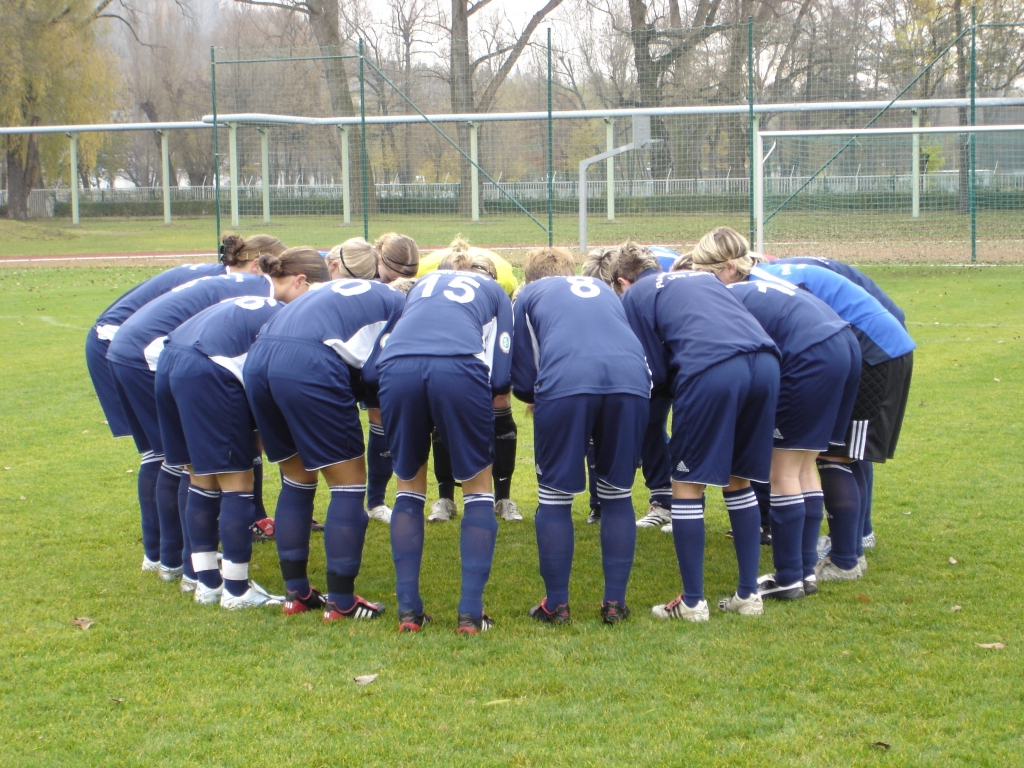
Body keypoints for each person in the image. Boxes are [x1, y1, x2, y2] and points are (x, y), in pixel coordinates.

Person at [84, 233, 284, 576]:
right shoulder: (247, 288)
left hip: (130, 345)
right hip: (137, 351)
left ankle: (170, 555)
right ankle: (177, 559)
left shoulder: (226, 277)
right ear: (257, 266)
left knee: (173, 456)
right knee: (179, 459)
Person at [680, 227, 861, 600]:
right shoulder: (763, 280)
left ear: (723, 270)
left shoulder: (726, 295)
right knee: (804, 465)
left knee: (781, 471)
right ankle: (804, 570)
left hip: (810, 355)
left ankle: (788, 576)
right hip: (842, 344)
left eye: (702, 272)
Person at [156, 248, 330, 609]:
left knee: (201, 480)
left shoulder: (252, 298)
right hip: (208, 370)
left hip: (170, 361)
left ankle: (206, 582)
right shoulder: (289, 316)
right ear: (301, 282)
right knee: (238, 484)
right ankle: (236, 590)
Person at [621, 243, 780, 621]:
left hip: (713, 367)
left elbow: (655, 372)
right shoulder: (697, 279)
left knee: (687, 483)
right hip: (767, 363)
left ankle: (693, 602)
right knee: (738, 481)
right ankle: (747, 595)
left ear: (621, 283)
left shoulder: (635, 296)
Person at [243, 274, 411, 622]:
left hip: (259, 358)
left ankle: (297, 593)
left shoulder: (337, 291)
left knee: (296, 479)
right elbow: (376, 376)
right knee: (348, 486)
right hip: (310, 363)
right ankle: (342, 601)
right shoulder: (401, 307)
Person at [750, 260, 915, 581]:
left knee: (837, 457)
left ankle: (845, 559)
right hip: (870, 350)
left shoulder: (770, 284)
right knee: (845, 453)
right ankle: (853, 543)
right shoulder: (780, 273)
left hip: (873, 356)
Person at [511, 247, 650, 624]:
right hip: (632, 382)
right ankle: (614, 604)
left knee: (554, 497)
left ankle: (556, 604)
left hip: (568, 382)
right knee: (618, 493)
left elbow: (523, 379)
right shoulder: (602, 289)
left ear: (528, 278)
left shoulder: (527, 296)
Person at [376, 256, 514, 634]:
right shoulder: (495, 290)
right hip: (457, 366)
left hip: (397, 366)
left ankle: (409, 612)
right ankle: (470, 613)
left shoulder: (422, 286)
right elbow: (501, 371)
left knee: (407, 486)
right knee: (478, 488)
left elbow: (384, 343)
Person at [418, 237, 522, 523]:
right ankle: (445, 498)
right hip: (453, 365)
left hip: (485, 364)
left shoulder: (498, 298)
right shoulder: (436, 294)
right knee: (443, 414)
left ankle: (502, 497)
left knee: (500, 404)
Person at [580, 245, 673, 529]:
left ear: (619, 282)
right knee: (648, 426)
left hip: (680, 365)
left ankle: (672, 504)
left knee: (645, 424)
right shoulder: (656, 277)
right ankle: (608, 503)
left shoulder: (638, 291)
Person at [325, 237, 399, 526]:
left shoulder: (377, 293)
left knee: (375, 424)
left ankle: (372, 501)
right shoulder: (321, 289)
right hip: (340, 366)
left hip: (355, 363)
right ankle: (365, 501)